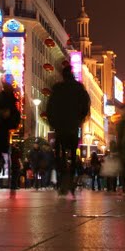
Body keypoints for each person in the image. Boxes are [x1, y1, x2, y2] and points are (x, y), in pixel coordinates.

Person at [46, 60, 90, 196]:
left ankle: (63, 178)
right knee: (72, 151)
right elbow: (86, 105)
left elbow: (50, 107)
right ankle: (70, 178)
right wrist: (80, 119)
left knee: (60, 153)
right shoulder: (79, 88)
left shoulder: (57, 88)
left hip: (60, 126)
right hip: (72, 126)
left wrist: (53, 122)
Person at [0, 76, 21, 189]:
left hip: (2, 129)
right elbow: (15, 115)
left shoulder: (2, 98)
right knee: (6, 154)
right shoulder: (9, 99)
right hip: (5, 129)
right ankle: (10, 182)